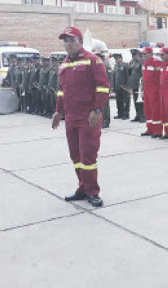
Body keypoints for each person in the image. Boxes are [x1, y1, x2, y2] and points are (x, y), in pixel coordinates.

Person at [52, 26, 110, 208]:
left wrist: (97, 110)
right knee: (75, 155)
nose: (67, 45)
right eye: (65, 41)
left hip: (88, 117)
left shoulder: (93, 60)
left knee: (88, 156)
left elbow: (103, 87)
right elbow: (62, 91)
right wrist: (58, 111)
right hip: (70, 117)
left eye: (71, 40)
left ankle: (93, 192)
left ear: (79, 41)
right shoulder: (64, 64)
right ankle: (83, 188)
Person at [141, 46, 163, 137]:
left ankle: (157, 130)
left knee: (155, 109)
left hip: (154, 89)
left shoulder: (157, 63)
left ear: (150, 54)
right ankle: (150, 129)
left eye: (145, 54)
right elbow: (143, 77)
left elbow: (160, 77)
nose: (144, 56)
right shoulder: (144, 63)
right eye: (143, 54)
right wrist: (142, 89)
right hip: (146, 89)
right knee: (147, 109)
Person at [128, 50, 145, 123]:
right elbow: (130, 72)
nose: (133, 57)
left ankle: (143, 116)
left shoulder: (141, 62)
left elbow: (143, 72)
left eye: (135, 55)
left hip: (140, 85)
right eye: (132, 55)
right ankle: (138, 115)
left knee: (141, 102)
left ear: (138, 55)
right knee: (135, 101)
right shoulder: (133, 62)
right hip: (134, 85)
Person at [112, 54, 130, 120]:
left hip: (124, 86)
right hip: (117, 87)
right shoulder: (116, 66)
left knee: (126, 101)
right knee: (119, 101)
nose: (116, 60)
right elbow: (114, 77)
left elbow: (128, 76)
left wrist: (128, 86)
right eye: (115, 59)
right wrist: (113, 86)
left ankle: (126, 114)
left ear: (121, 58)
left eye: (117, 59)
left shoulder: (125, 65)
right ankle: (120, 113)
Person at [96, 52, 111, 129]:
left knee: (105, 106)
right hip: (98, 89)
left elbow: (109, 78)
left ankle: (106, 121)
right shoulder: (98, 66)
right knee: (101, 106)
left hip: (104, 89)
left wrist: (109, 89)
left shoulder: (105, 66)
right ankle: (101, 120)